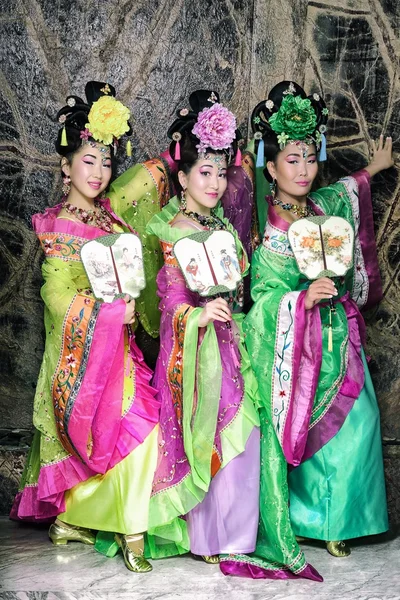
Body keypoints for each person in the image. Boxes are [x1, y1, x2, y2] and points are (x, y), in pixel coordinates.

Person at [239, 81, 390, 574]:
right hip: (299, 352)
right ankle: (318, 524)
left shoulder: (323, 206)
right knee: (313, 430)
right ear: (271, 165)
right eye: (291, 160)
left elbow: (347, 190)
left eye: (309, 157)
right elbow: (261, 299)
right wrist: (300, 298)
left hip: (340, 340)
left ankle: (346, 520)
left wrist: (374, 171)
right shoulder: (270, 229)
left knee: (361, 422)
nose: (303, 170)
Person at [10, 81, 160, 573]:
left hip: (122, 352)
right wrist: (115, 314)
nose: (98, 172)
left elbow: (146, 182)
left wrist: (186, 160)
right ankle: (124, 532)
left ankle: (84, 518)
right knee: (136, 431)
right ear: (66, 164)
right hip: (83, 356)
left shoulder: (113, 216)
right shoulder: (57, 225)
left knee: (144, 431)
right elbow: (56, 298)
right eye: (88, 160)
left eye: (106, 162)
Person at [143, 91, 261, 565]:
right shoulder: (174, 229)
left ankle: (239, 536)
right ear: (184, 176)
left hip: (229, 345)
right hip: (197, 354)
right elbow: (169, 299)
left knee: (245, 431)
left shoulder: (225, 230)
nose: (213, 183)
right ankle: (210, 537)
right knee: (212, 428)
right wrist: (196, 316)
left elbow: (235, 288)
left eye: (219, 172)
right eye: (203, 173)